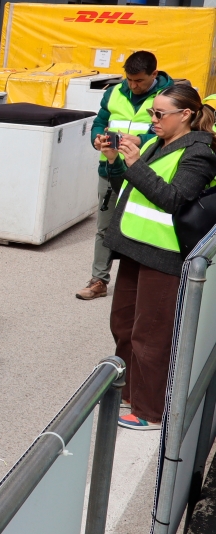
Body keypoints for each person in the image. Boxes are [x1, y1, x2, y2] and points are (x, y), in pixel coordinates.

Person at [100, 84, 216, 430]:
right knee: (123, 324)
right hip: (135, 247)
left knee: (150, 336)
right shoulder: (156, 143)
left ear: (185, 115)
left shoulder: (199, 153)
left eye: (159, 114)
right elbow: (128, 189)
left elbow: (172, 199)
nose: (153, 119)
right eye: (152, 112)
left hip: (164, 257)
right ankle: (125, 392)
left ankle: (149, 411)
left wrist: (135, 162)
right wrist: (115, 160)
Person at [78, 51, 174, 300]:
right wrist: (97, 138)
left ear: (154, 74)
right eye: (129, 80)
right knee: (105, 227)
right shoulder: (113, 92)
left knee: (142, 227)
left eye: (139, 80)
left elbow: (173, 133)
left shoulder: (168, 97)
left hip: (147, 172)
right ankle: (98, 280)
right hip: (110, 169)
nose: (133, 85)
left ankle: (140, 282)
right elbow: (99, 122)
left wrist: (140, 140)